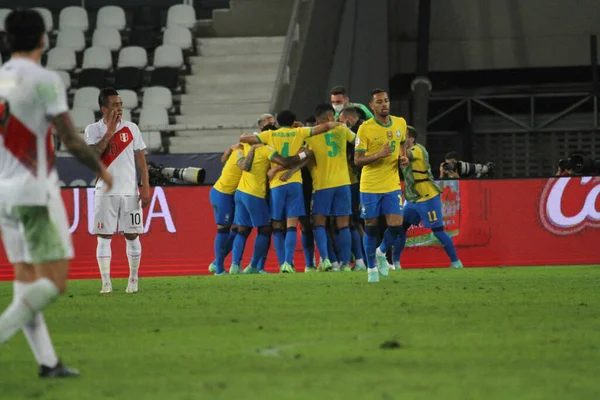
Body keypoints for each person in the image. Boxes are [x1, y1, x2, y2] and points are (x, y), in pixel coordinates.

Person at [0, 9, 113, 378]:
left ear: (7, 40)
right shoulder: (44, 79)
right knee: (55, 281)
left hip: (5, 192)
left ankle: (48, 362)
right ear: (43, 39)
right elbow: (68, 136)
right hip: (34, 191)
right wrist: (100, 169)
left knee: (26, 281)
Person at [240, 112, 338, 272]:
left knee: (278, 225)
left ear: (278, 122)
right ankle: (289, 262)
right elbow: (325, 127)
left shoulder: (269, 134)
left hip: (277, 184)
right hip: (295, 182)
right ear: (293, 121)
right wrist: (338, 125)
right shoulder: (299, 132)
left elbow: (243, 139)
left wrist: (255, 140)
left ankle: (284, 264)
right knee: (292, 225)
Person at [85, 88, 150, 294]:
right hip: (105, 191)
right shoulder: (92, 129)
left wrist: (145, 187)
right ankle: (106, 283)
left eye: (121, 104)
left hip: (129, 191)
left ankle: (133, 279)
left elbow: (142, 163)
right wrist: (110, 132)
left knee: (132, 235)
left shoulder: (132, 128)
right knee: (104, 236)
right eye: (114, 105)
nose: (119, 109)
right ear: (103, 108)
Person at [354, 88, 408, 283]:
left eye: (386, 100)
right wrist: (378, 154)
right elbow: (357, 160)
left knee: (396, 225)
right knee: (371, 227)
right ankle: (371, 270)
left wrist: (403, 157)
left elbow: (402, 143)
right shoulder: (365, 128)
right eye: (379, 102)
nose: (384, 104)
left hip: (392, 183)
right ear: (371, 106)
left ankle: (381, 251)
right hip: (369, 186)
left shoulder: (400, 122)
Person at [230, 140, 307, 274]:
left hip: (240, 192)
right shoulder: (267, 149)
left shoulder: (246, 146)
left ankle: (234, 265)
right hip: (255, 193)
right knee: (266, 229)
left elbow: (230, 159)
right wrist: (299, 156)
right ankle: (255, 265)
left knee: (241, 230)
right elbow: (284, 162)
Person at [395, 127, 463, 269]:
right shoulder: (405, 150)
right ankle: (395, 263)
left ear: (411, 139)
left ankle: (456, 262)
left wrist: (395, 143)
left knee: (438, 231)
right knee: (399, 228)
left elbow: (405, 154)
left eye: (404, 136)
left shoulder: (418, 150)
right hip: (413, 198)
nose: (401, 138)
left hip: (427, 196)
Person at [303, 104, 356, 272]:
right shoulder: (342, 130)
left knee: (319, 223)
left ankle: (328, 261)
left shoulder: (311, 136)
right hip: (343, 183)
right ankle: (346, 264)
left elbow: (303, 154)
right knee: (343, 224)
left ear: (321, 119)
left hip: (322, 185)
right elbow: (359, 141)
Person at [208, 143, 244, 275]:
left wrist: (229, 149)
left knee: (236, 229)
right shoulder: (243, 155)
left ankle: (217, 262)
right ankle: (219, 269)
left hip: (228, 195)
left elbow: (223, 159)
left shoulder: (238, 150)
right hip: (222, 193)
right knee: (223, 229)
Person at [338, 107, 366, 271]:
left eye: (342, 121)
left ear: (348, 119)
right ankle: (363, 259)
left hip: (354, 181)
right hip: (359, 181)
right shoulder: (365, 128)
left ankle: (362, 259)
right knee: (358, 221)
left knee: (354, 221)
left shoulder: (356, 132)